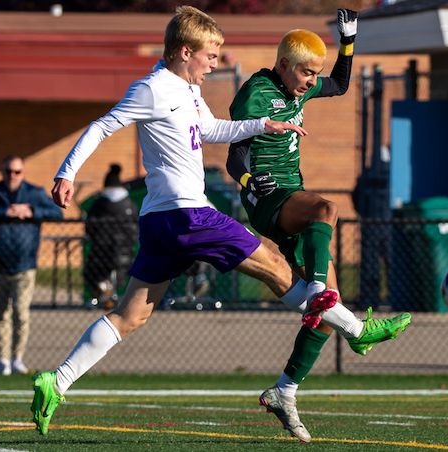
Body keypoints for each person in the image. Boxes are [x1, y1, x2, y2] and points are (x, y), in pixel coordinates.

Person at [31, 5, 314, 439]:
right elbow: (102, 126)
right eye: (211, 56)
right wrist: (66, 172)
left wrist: (264, 125)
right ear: (185, 52)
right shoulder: (152, 88)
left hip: (162, 221)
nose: (215, 64)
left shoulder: (188, 91)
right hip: (188, 214)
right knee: (277, 266)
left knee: (130, 316)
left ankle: (57, 381)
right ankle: (353, 327)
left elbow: (213, 129)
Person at [226, 10, 411, 439]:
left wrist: (348, 41)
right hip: (270, 196)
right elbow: (234, 151)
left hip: (291, 195)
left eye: (316, 74)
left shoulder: (299, 91)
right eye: (307, 73)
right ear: (285, 65)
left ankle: (284, 391)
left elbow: (343, 85)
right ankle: (338, 313)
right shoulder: (257, 91)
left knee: (329, 314)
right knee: (327, 208)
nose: (312, 81)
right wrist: (251, 179)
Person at [0, 155, 63, 375]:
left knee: (21, 314)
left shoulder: (34, 193)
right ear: (2, 172)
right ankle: (2, 360)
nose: (12, 176)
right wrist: (5, 212)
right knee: (0, 315)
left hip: (25, 265)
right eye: (8, 171)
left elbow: (57, 212)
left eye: (17, 172)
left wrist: (32, 212)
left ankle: (17, 358)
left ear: (23, 172)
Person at [83, 163, 138, 310]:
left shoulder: (99, 203)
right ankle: (109, 291)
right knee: (119, 271)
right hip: (124, 252)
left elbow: (90, 226)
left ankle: (102, 286)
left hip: (100, 251)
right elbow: (135, 227)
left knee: (94, 272)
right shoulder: (129, 203)